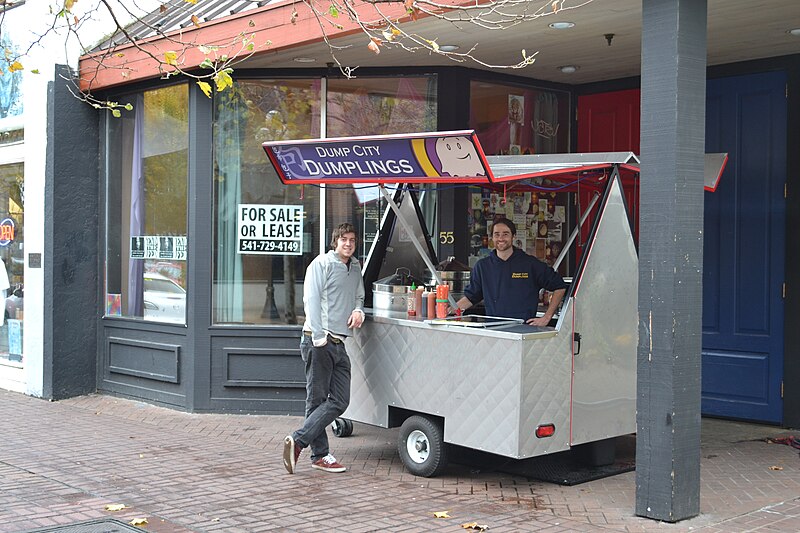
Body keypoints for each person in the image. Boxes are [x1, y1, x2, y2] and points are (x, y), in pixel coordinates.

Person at [283, 223, 365, 474]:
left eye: (352, 239)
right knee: (317, 399)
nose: (348, 243)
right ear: (335, 241)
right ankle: (320, 455)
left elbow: (359, 294)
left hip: (340, 342)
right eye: (343, 239)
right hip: (319, 340)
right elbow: (311, 300)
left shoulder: (355, 266)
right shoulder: (321, 264)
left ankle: (298, 441)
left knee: (340, 400)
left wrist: (359, 309)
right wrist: (319, 338)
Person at [455, 217, 567, 326]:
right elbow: (471, 297)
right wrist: (451, 309)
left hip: (524, 331)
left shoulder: (530, 264)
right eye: (497, 234)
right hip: (494, 330)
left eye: (505, 234)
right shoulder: (482, 266)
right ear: (492, 238)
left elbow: (560, 286)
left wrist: (547, 317)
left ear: (513, 236)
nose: (501, 238)